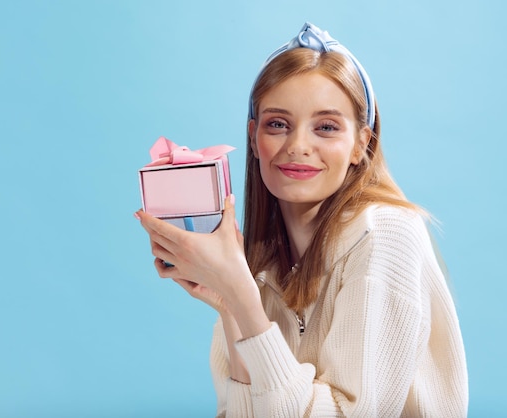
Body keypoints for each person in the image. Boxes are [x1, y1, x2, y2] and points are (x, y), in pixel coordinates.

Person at [136, 22, 468, 417]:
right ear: (254, 137)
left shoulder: (386, 235)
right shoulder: (259, 265)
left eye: (326, 127)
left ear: (362, 144)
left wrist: (242, 297)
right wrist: (229, 304)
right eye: (278, 124)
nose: (297, 147)